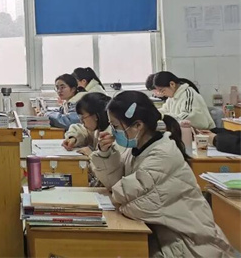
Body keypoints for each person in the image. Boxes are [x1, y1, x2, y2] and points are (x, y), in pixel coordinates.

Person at [90, 91, 233, 257]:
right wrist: (106, 154)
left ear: (137, 126)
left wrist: (118, 198)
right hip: (163, 237)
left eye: (115, 126)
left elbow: (136, 204)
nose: (113, 132)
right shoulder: (136, 149)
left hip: (189, 243)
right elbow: (116, 185)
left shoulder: (163, 154)